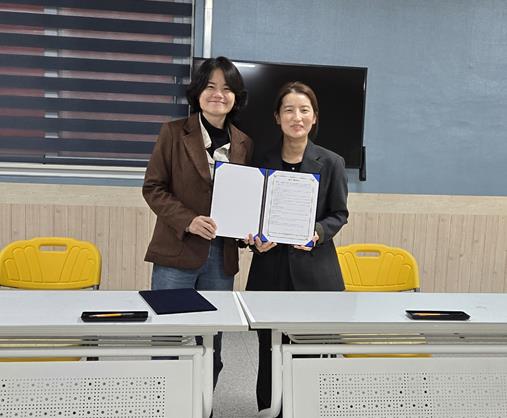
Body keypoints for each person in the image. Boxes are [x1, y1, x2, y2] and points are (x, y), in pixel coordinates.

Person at [143, 56, 253, 389]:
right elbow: (153, 188)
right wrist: (188, 221)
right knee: (168, 338)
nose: (218, 94)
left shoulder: (244, 143)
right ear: (198, 92)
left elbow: (245, 198)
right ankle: (165, 404)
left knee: (212, 341)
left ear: (236, 96)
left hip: (221, 258)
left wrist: (249, 230)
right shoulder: (174, 132)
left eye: (227, 88)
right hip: (176, 252)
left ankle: (204, 406)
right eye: (210, 86)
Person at [246, 81, 349, 416]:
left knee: (312, 351)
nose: (297, 117)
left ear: (314, 117)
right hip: (270, 272)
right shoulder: (260, 160)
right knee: (269, 350)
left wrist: (317, 233)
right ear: (277, 117)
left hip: (316, 274)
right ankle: (269, 410)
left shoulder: (331, 162)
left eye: (304, 110)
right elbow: (251, 214)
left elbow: (339, 214)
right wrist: (254, 238)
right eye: (288, 110)